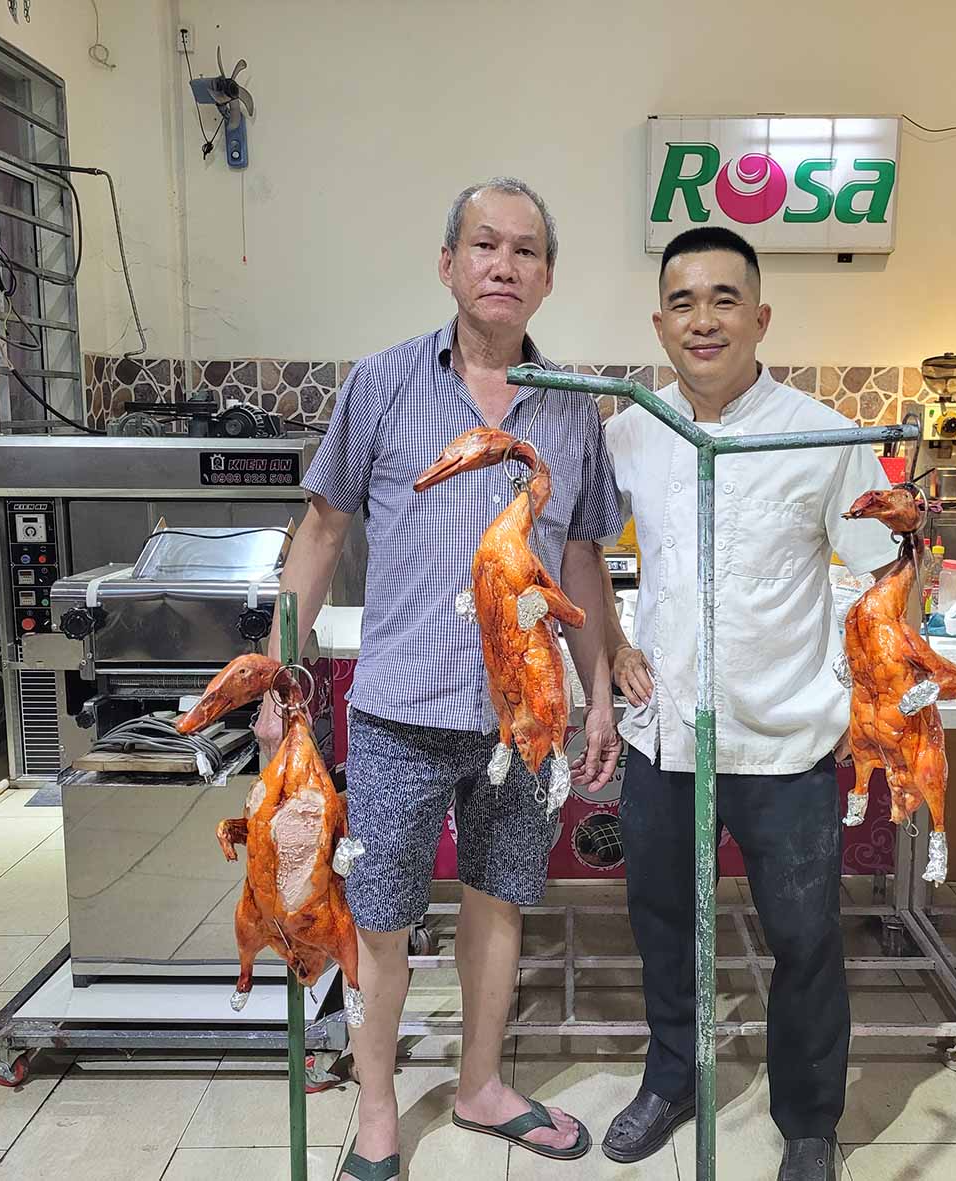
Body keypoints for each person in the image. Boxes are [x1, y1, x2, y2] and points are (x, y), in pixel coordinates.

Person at [254, 177, 626, 1181]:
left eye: (525, 250)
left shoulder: (574, 406)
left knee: (499, 900)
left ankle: (480, 1083)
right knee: (380, 912)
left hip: (524, 718)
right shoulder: (380, 384)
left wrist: (598, 692)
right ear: (448, 263)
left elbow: (581, 557)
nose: (504, 265)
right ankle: (376, 1111)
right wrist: (279, 669)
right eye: (484, 244)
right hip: (397, 711)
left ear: (547, 277)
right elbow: (320, 532)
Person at [598, 227, 899, 1181]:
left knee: (804, 938)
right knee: (663, 923)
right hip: (663, 736)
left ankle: (808, 1119)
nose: (704, 319)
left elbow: (884, 570)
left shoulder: (824, 435)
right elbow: (575, 546)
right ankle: (673, 1078)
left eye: (724, 299)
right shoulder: (630, 432)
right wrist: (610, 643)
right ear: (659, 324)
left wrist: (869, 691)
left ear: (760, 317)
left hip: (785, 738)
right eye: (683, 302)